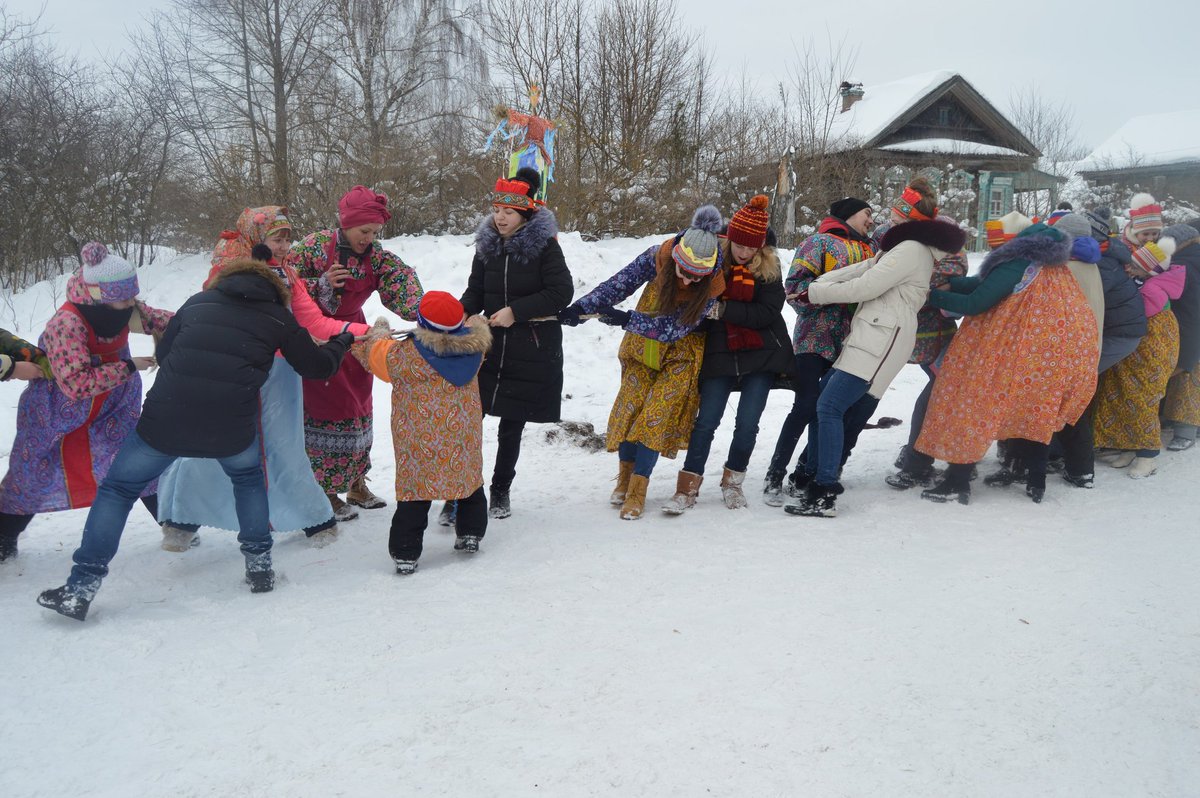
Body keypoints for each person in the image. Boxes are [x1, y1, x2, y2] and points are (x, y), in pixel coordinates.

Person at [37, 255, 355, 621]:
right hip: (230, 427)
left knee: (118, 490)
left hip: (165, 421)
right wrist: (340, 342)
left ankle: (81, 587)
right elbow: (316, 367)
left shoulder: (196, 302)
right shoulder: (277, 317)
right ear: (275, 291)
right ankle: (259, 567)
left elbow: (167, 352)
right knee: (247, 480)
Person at [156, 206, 371, 551]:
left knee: (284, 448)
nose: (285, 247)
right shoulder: (227, 275)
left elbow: (314, 324)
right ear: (257, 239)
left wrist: (366, 331)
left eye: (288, 238)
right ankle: (181, 521)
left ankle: (314, 519)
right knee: (212, 449)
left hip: (280, 377)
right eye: (277, 238)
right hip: (231, 375)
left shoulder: (288, 276)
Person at [784, 201, 968, 517]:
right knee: (828, 404)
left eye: (898, 214)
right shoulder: (906, 247)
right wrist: (821, 283)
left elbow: (867, 285)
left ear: (911, 220)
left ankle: (823, 491)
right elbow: (865, 268)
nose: (886, 218)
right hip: (872, 334)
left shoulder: (912, 249)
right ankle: (811, 474)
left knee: (829, 407)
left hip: (881, 337)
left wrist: (814, 293)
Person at [0, 244, 172, 563]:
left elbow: (161, 320)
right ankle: (3, 537)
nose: (132, 305)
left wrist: (202, 323)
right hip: (56, 412)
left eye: (133, 297)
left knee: (136, 460)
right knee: (32, 473)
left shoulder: (120, 308)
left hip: (113, 408)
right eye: (124, 299)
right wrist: (129, 366)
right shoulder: (66, 325)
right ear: (98, 298)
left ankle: (174, 524)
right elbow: (76, 384)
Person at [558, 205, 726, 520]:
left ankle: (638, 490)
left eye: (696, 277)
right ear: (676, 257)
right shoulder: (657, 256)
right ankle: (623, 478)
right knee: (630, 406)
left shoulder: (714, 285)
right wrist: (580, 309)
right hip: (644, 347)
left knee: (655, 415)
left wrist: (625, 319)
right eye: (684, 273)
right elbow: (618, 285)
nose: (689, 282)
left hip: (682, 353)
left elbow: (673, 328)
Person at [915, 223, 1099, 504]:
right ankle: (1034, 481)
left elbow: (978, 301)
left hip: (1009, 353)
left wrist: (932, 296)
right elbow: (988, 282)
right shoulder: (1052, 266)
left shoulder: (1019, 262)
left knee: (970, 406)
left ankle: (957, 483)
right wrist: (955, 284)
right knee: (1033, 413)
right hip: (1047, 358)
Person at [288, 186, 423, 521]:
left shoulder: (375, 257)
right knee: (324, 410)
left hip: (357, 338)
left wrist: (427, 313)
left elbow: (400, 280)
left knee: (358, 408)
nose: (369, 238)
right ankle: (325, 491)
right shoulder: (314, 247)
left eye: (375, 232)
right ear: (346, 224)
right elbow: (282, 283)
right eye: (364, 231)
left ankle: (356, 483)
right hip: (317, 338)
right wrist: (320, 283)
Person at [663, 196, 792, 513]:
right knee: (706, 422)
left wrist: (723, 310)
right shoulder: (713, 260)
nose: (745, 253)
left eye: (752, 248)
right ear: (730, 238)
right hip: (720, 351)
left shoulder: (769, 269)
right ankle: (687, 488)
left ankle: (732, 483)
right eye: (741, 245)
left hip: (761, 354)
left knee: (748, 423)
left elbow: (767, 312)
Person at [460, 168, 573, 520]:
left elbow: (561, 293)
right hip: (489, 349)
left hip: (530, 349)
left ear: (525, 214)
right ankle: (460, 490)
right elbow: (475, 292)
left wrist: (516, 312)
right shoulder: (486, 246)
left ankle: (500, 490)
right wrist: (458, 316)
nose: (500, 217)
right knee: (467, 420)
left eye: (508, 212)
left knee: (511, 426)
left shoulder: (545, 247)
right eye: (496, 210)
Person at [352, 293, 492, 574]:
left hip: (417, 440)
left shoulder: (404, 356)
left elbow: (372, 353)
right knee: (468, 481)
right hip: (461, 436)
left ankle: (406, 552)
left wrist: (379, 329)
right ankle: (470, 534)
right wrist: (478, 322)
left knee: (415, 492)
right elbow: (477, 330)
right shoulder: (474, 350)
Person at [762, 195, 877, 505]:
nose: (871, 219)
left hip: (853, 343)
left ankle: (806, 472)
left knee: (833, 409)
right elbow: (794, 289)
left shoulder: (872, 249)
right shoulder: (819, 243)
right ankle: (774, 474)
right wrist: (836, 297)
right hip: (815, 338)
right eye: (867, 213)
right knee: (806, 406)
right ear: (851, 213)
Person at [1092, 239, 1184, 479]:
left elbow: (1134, 315)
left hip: (1150, 352)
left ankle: (1148, 455)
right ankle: (1130, 447)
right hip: (1140, 351)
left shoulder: (1152, 289)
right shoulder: (1149, 283)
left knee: (1143, 399)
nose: (1130, 270)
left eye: (1136, 267)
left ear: (1150, 271)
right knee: (1127, 397)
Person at [1160, 222, 1200, 451]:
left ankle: (1185, 431)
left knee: (1188, 377)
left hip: (1189, 328)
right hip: (1193, 326)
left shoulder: (1183, 264)